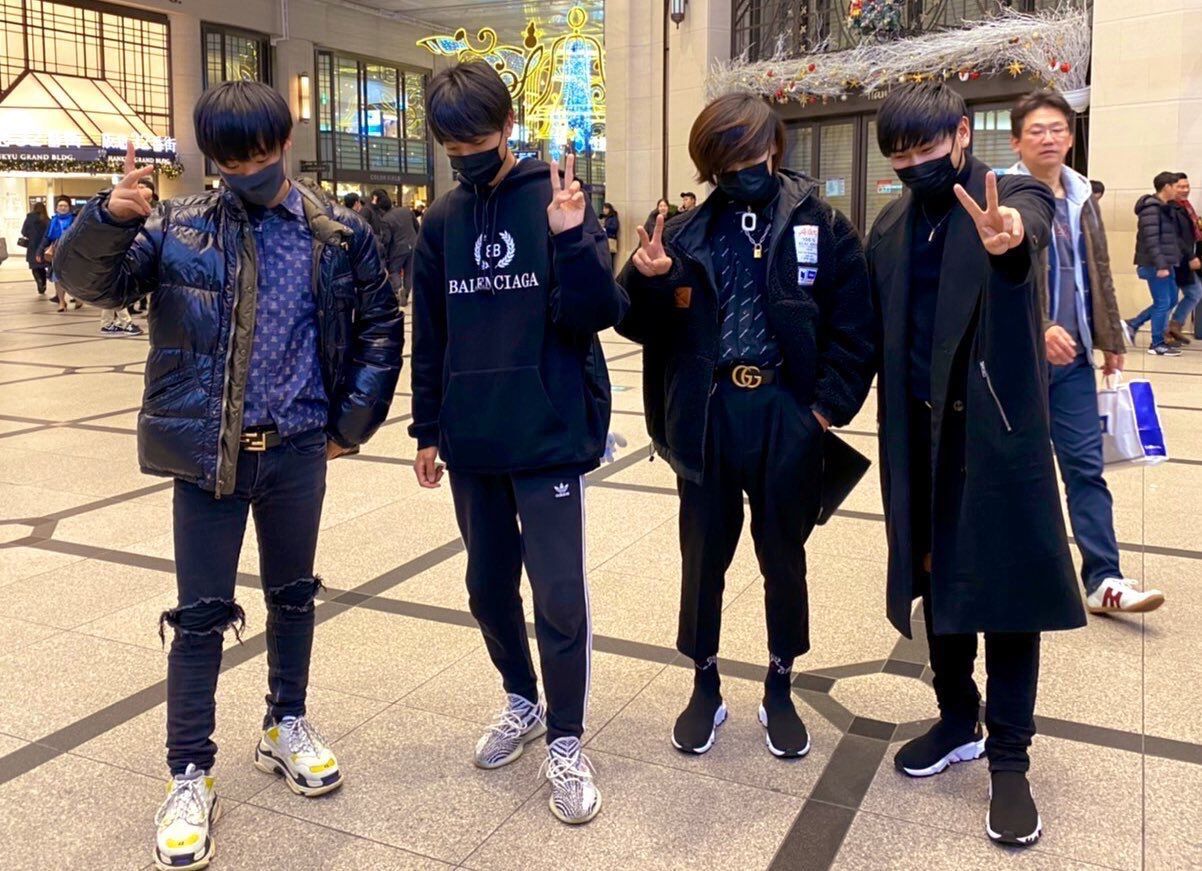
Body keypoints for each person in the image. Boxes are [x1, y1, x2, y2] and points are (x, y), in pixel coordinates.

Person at [52, 80, 403, 871]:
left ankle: (285, 722)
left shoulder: (337, 232)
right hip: (210, 455)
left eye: (260, 153)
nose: (249, 168)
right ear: (214, 158)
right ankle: (189, 772)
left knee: (294, 594)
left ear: (285, 142)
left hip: (299, 449)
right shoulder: (176, 227)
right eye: (231, 158)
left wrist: (348, 425)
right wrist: (108, 218)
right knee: (200, 614)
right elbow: (90, 283)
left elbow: (382, 325)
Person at [618, 93, 876, 760]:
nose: (740, 168)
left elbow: (855, 327)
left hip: (786, 410)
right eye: (724, 160)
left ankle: (780, 684)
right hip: (707, 412)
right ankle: (704, 682)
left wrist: (822, 410)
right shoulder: (682, 232)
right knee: (703, 554)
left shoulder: (822, 222)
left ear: (774, 146)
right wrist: (648, 279)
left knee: (783, 556)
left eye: (749, 152)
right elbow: (636, 323)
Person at [866, 82, 1086, 848]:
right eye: (899, 154)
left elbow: (1028, 228)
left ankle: (1010, 760)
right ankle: (958, 716)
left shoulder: (1013, 193)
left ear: (962, 134)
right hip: (920, 440)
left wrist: (1010, 240)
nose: (913, 164)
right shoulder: (890, 226)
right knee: (937, 584)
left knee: (1008, 599)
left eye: (926, 147)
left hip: (994, 439)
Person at [409, 61, 627, 826]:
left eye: (478, 139)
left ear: (508, 126)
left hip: (549, 433)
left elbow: (599, 312)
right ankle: (522, 699)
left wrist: (572, 240)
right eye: (452, 144)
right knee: (486, 586)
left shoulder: (556, 197)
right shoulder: (440, 222)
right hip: (473, 437)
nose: (466, 154)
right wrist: (426, 428)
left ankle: (566, 738)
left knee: (558, 593)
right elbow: (430, 332)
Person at [1007, 89, 1164, 615]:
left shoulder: (1081, 196)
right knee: (1018, 470)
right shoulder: (1004, 196)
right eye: (1037, 131)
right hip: (1016, 364)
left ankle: (1103, 579)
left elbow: (1099, 272)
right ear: (1017, 142)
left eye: (1058, 129)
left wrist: (1110, 339)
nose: (1049, 139)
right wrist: (1041, 326)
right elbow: (995, 282)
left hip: (1073, 364)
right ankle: (1017, 571)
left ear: (1071, 138)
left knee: (1085, 467)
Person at [1126, 172, 1189, 355]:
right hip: (1155, 264)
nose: (1179, 190)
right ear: (1167, 187)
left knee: (1171, 300)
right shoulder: (1151, 209)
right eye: (1176, 186)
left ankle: (1133, 324)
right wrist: (1161, 265)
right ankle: (1157, 344)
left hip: (1166, 263)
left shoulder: (1165, 208)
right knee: (1162, 302)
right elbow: (1151, 239)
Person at [1166, 174, 1202, 343]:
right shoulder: (1170, 208)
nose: (1185, 190)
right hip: (1176, 259)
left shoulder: (1186, 207)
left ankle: (1174, 326)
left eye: (1187, 186)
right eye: (1181, 187)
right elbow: (1175, 237)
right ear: (1171, 188)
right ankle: (1163, 333)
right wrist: (1190, 256)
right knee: (1169, 299)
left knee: (1194, 292)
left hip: (1185, 259)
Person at [38, 196, 82, 312]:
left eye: (65, 206)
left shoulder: (75, 220)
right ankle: (62, 302)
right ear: (56, 208)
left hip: (72, 252)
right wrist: (39, 251)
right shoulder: (53, 221)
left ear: (69, 208)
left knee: (73, 277)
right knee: (57, 277)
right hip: (57, 251)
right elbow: (46, 237)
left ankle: (78, 298)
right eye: (60, 206)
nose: (63, 208)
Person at [381, 197, 420, 306]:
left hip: (397, 249)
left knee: (394, 271)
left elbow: (387, 239)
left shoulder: (385, 219)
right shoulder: (406, 210)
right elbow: (417, 226)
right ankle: (406, 293)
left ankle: (398, 289)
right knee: (409, 271)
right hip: (413, 244)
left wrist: (385, 253)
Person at [19, 201, 50, 298]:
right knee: (42, 267)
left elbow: (23, 232)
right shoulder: (47, 219)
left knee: (34, 267)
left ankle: (39, 282)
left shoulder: (29, 218)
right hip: (44, 247)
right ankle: (43, 284)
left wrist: (30, 235)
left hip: (32, 246)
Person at [600, 202, 620, 268]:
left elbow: (614, 227)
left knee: (610, 259)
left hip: (610, 239)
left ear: (609, 209)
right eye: (603, 209)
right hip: (606, 239)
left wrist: (605, 228)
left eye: (605, 209)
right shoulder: (607, 218)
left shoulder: (613, 218)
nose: (604, 210)